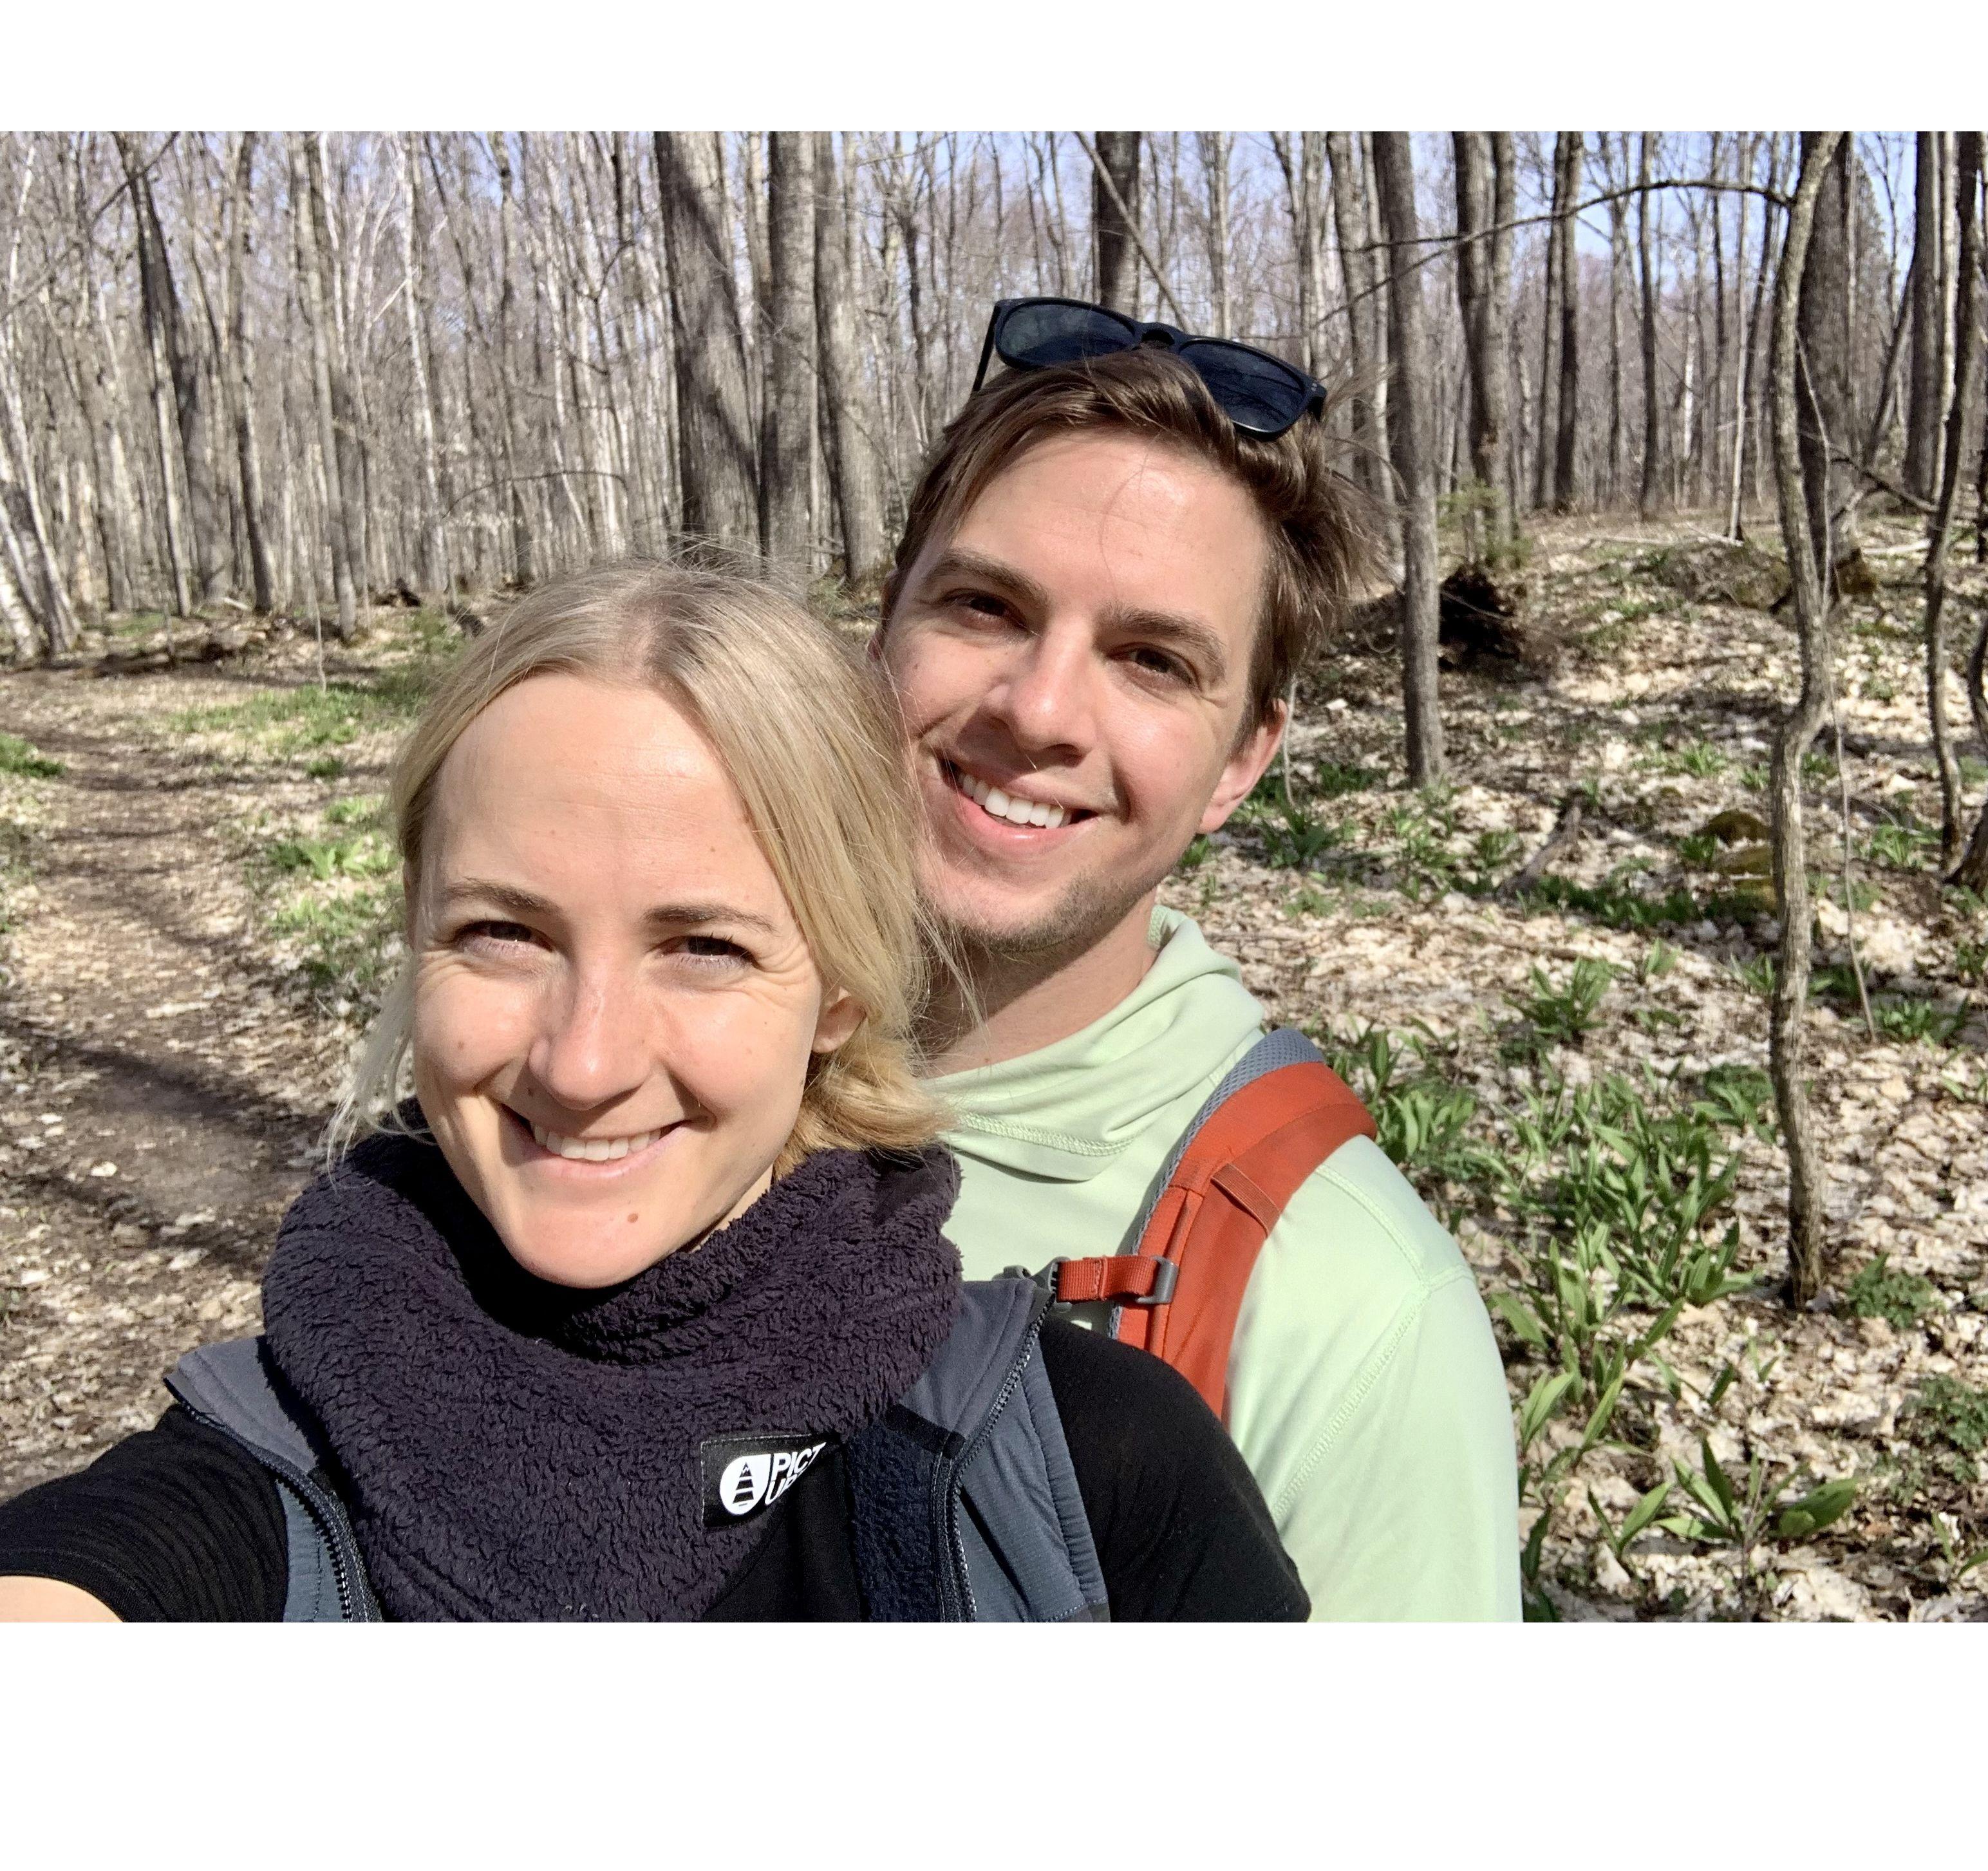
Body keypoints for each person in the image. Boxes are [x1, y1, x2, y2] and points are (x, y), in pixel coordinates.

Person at [0, 563, 1306, 1623]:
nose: (583, 1062)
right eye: (503, 932)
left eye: (705, 947)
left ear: (840, 990)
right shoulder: (259, 1465)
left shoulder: (1086, 1481)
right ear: (416, 934)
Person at [873, 297, 1522, 1621]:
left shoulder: (1345, 1303)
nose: (1036, 710)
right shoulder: (636, 1070)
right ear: (880, 630)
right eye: (984, 606)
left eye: (1150, 658)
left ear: (1241, 760)